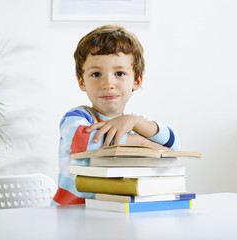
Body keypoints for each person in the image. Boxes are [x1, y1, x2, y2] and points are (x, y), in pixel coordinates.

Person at [51, 24, 181, 206]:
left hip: (115, 213)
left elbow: (174, 145)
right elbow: (87, 142)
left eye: (119, 73)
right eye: (96, 74)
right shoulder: (77, 117)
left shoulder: (134, 124)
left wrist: (135, 121)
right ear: (82, 81)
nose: (108, 83)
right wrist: (142, 143)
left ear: (136, 81)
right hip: (71, 213)